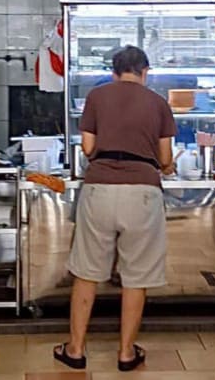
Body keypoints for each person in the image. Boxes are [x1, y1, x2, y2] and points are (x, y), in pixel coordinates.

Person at [53, 45, 176, 372]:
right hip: (143, 194)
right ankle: (125, 353)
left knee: (87, 272)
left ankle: (76, 350)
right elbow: (165, 159)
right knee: (136, 276)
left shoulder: (97, 97)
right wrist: (166, 167)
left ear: (113, 71)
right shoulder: (159, 103)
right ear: (145, 71)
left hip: (100, 189)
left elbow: (89, 147)